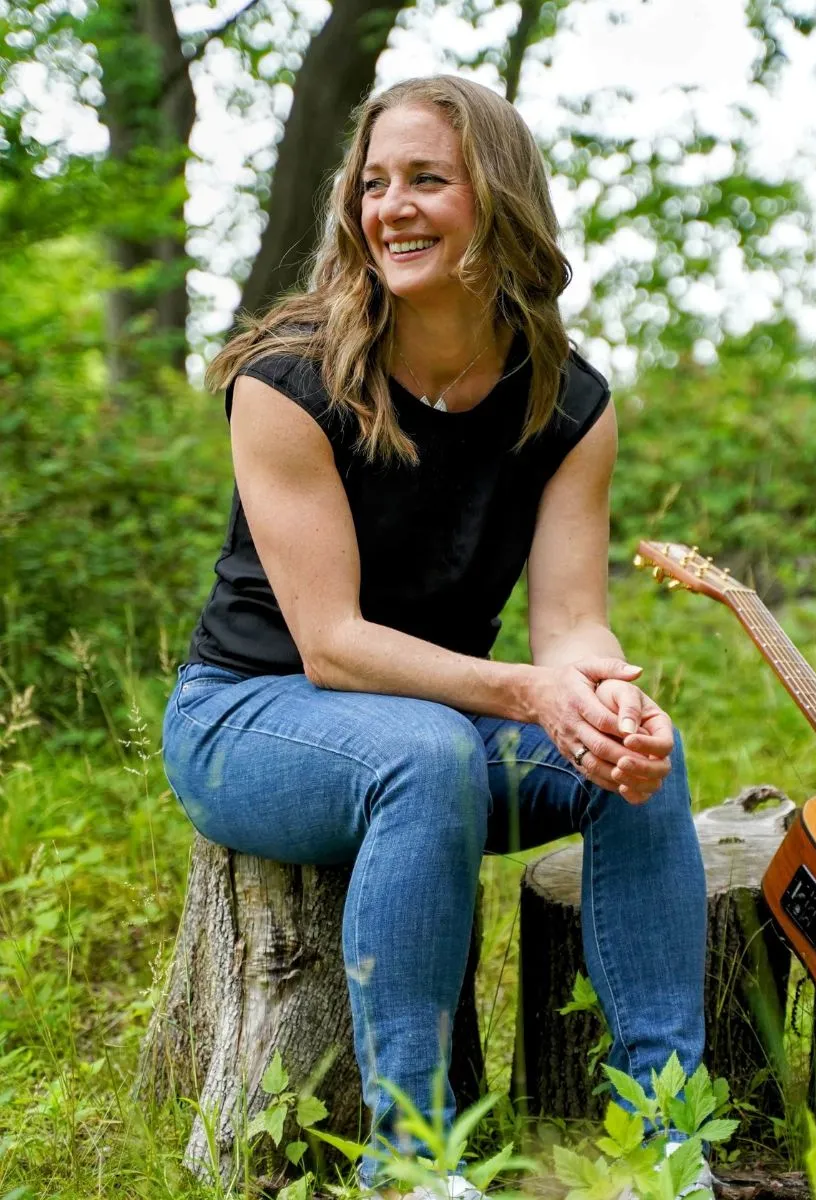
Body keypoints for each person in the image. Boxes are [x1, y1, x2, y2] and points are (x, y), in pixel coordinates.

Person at [161, 75, 707, 1198]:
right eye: (374, 184)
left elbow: (570, 620)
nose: (392, 208)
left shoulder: (566, 400)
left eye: (426, 179)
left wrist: (602, 694)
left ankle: (665, 1144)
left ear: (497, 198)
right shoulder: (289, 377)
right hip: (248, 719)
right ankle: (413, 1166)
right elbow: (332, 645)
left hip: (437, 724)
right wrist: (524, 692)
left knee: (636, 759)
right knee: (425, 751)